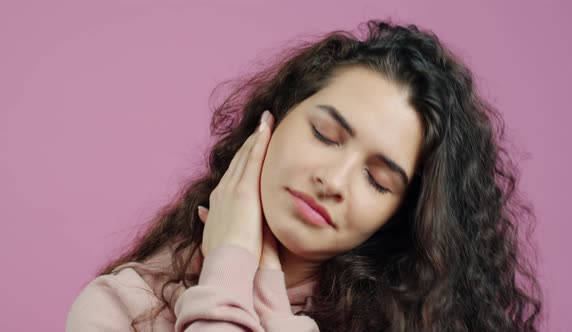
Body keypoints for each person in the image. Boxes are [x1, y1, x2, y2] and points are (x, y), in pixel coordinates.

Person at [66, 19, 543, 331]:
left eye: (378, 181)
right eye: (326, 134)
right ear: (271, 122)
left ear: (398, 216)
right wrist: (229, 268)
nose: (334, 181)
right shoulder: (124, 307)